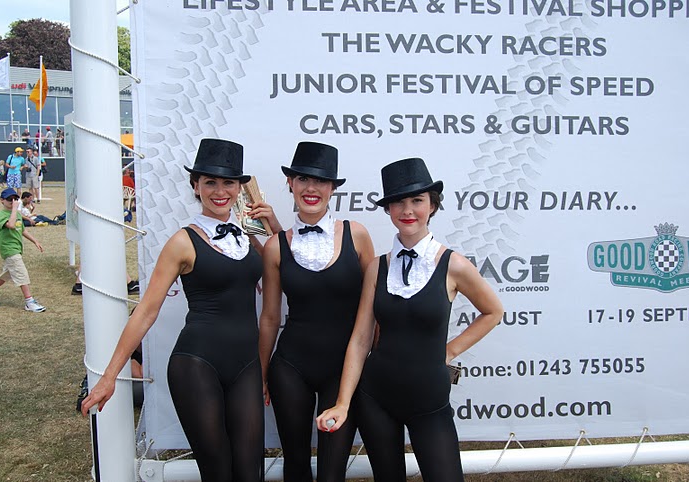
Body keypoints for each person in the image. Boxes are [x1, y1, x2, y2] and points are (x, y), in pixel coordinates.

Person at [80, 139, 282, 481]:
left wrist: (273, 224)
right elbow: (146, 311)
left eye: (228, 182)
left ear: (240, 188)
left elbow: (285, 270)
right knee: (217, 472)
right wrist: (110, 375)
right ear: (195, 186)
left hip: (246, 366)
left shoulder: (247, 238)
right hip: (197, 365)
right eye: (210, 182)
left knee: (251, 472)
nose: (220, 191)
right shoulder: (182, 242)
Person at [316, 157, 504, 482]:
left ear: (433, 205)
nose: (407, 210)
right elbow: (361, 339)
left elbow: (493, 312)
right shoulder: (377, 268)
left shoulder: (454, 264)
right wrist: (343, 403)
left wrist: (449, 351)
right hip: (376, 398)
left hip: (430, 401)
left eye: (417, 200)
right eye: (398, 202)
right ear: (388, 209)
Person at [258, 142, 374, 482]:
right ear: (290, 183)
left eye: (321, 180)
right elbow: (270, 317)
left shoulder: (357, 235)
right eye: (303, 179)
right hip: (290, 367)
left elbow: (376, 306)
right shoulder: (275, 246)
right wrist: (261, 373)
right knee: (295, 466)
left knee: (331, 473)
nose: (311, 188)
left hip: (344, 369)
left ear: (333, 187)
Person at [0, 187, 46, 312]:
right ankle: (29, 301)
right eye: (9, 199)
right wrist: (14, 209)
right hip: (9, 249)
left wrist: (35, 241)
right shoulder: (1, 215)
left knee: (8, 273)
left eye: (15, 199)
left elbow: (22, 230)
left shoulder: (17, 214)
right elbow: (11, 225)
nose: (13, 201)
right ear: (2, 200)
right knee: (21, 273)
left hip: (17, 248)